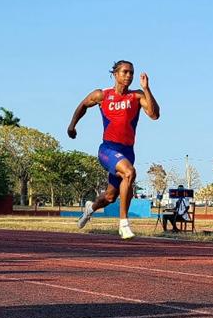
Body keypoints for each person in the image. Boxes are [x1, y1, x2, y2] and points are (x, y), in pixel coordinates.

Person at [68, 60, 160, 240]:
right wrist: (72, 126)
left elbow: (155, 115)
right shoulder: (102, 95)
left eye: (131, 73)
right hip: (108, 149)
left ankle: (90, 208)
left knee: (110, 197)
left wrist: (147, 89)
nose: (129, 76)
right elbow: (83, 105)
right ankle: (123, 224)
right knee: (129, 173)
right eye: (125, 72)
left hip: (127, 152)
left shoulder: (137, 96)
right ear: (115, 74)